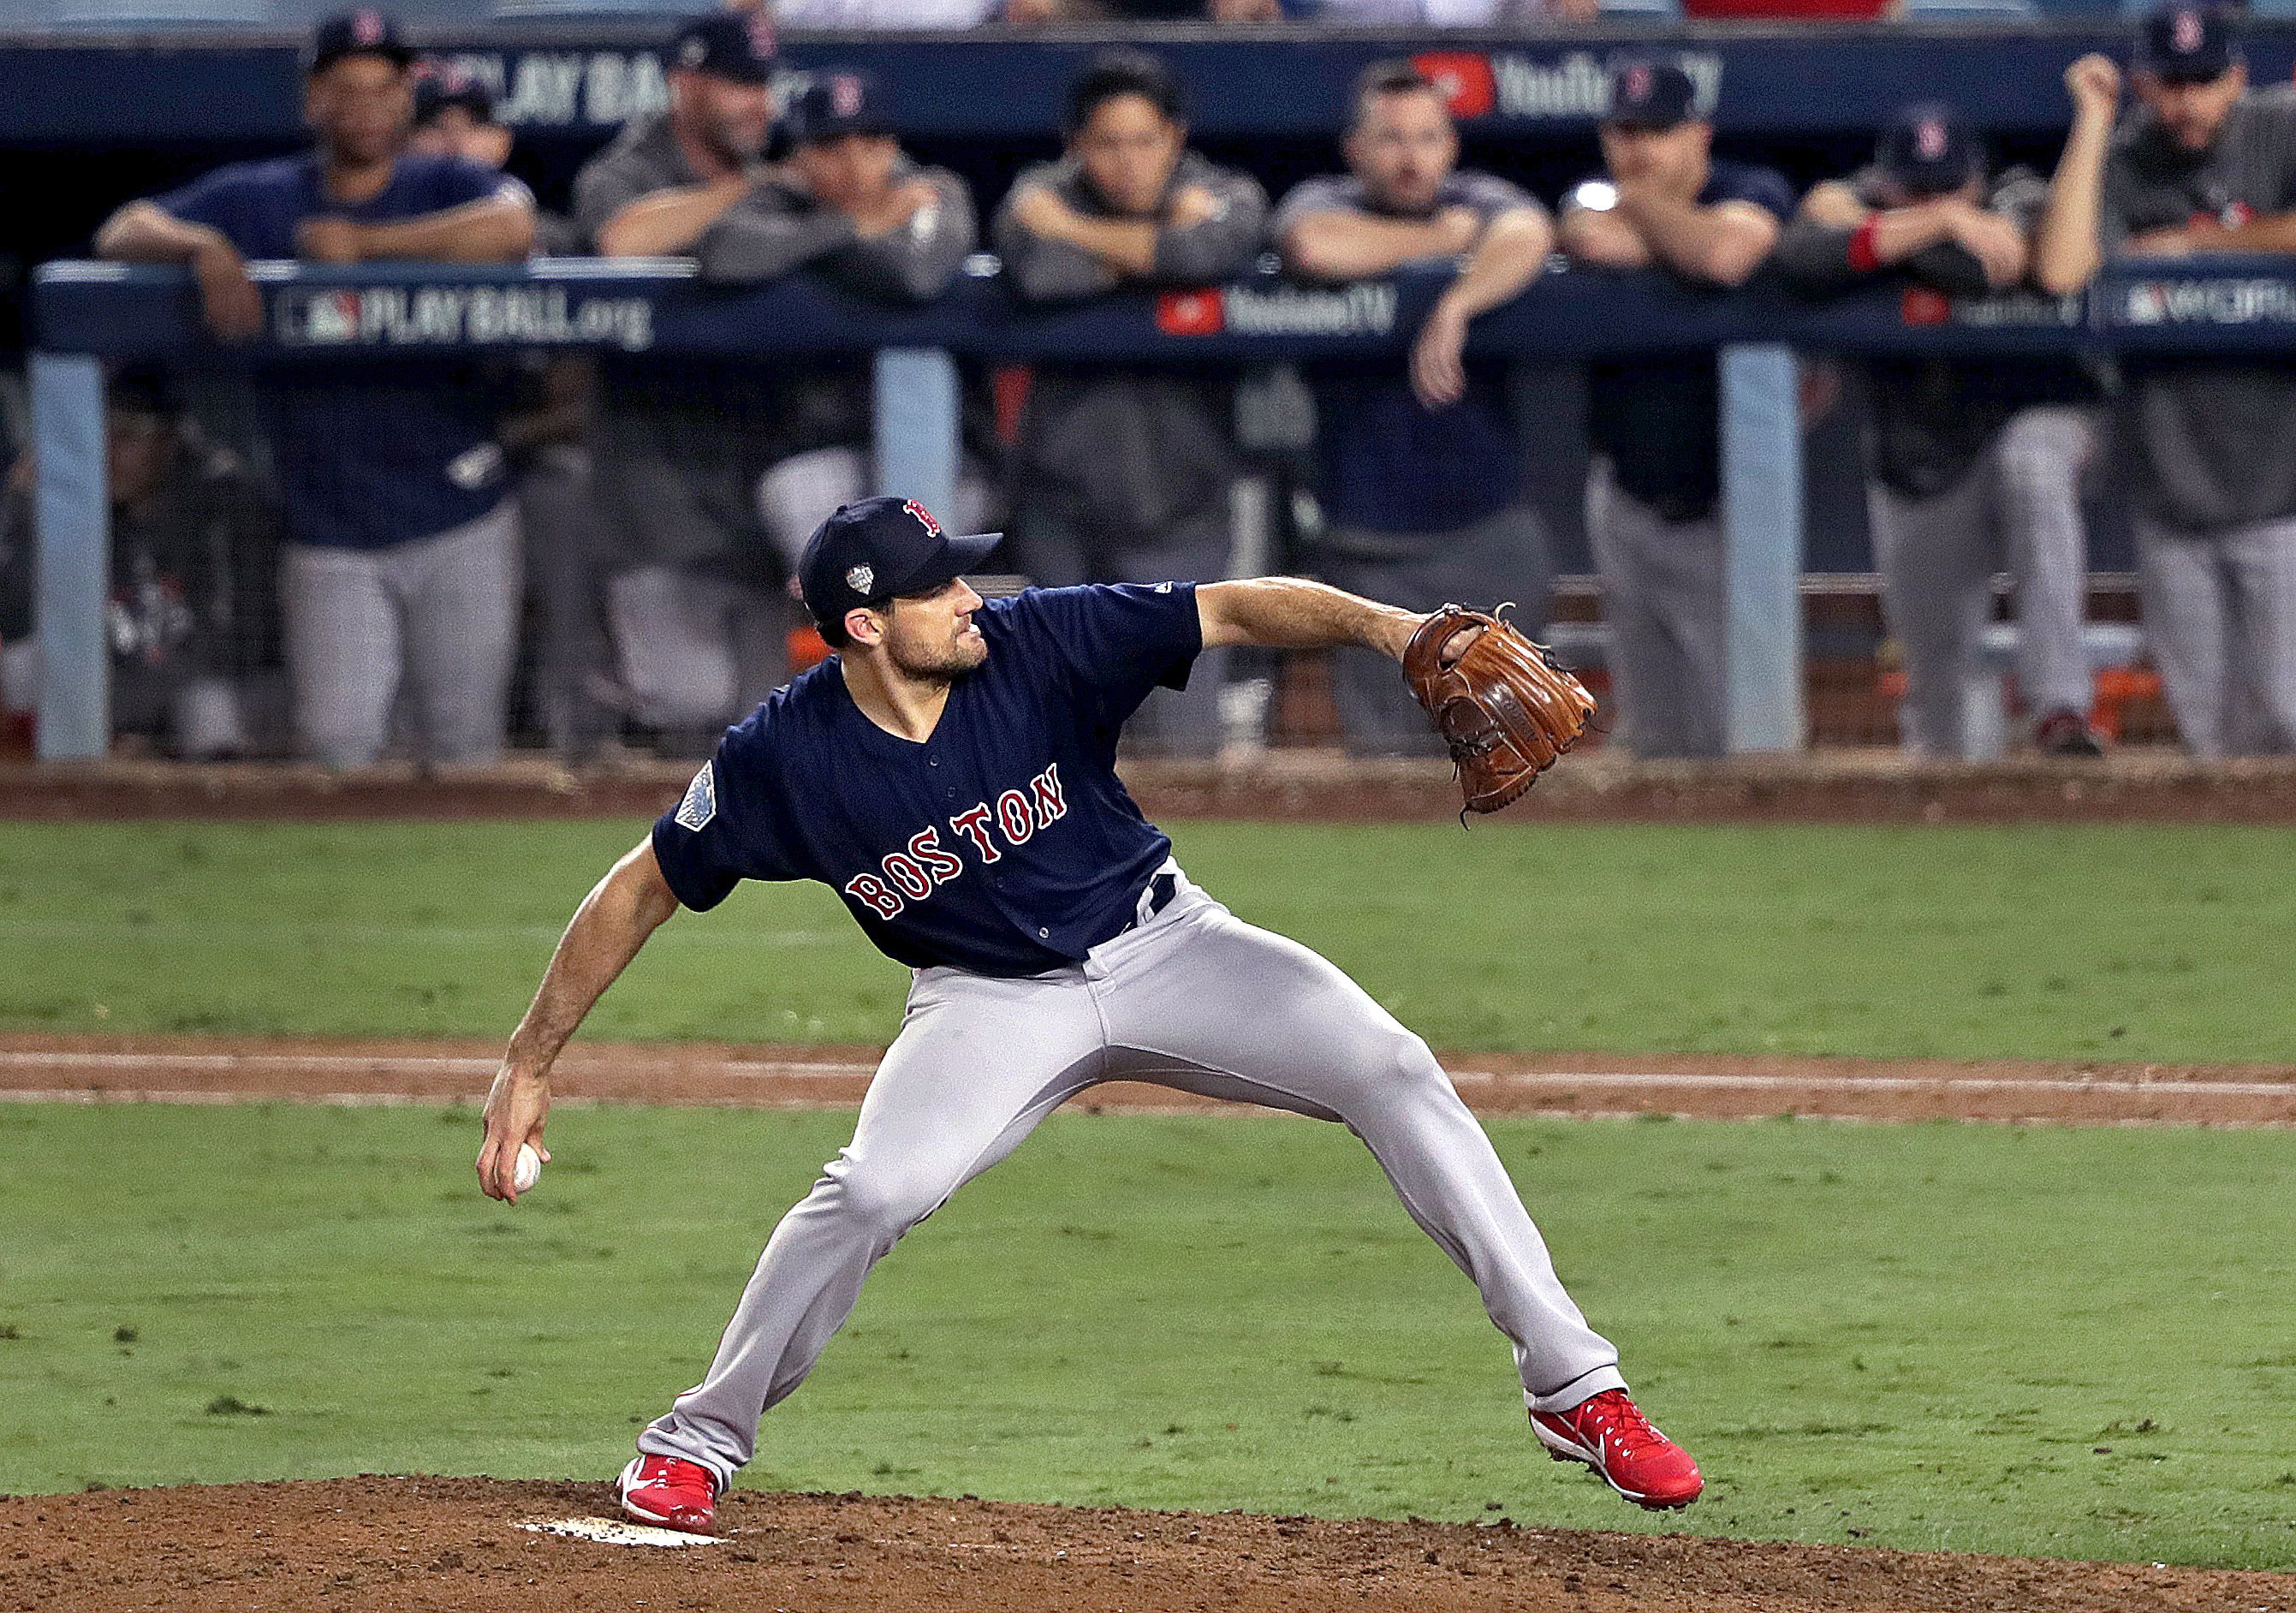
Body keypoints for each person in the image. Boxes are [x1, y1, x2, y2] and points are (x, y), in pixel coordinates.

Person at [473, 494, 1704, 1535]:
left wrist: (1390, 631)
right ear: (862, 626)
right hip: (984, 1005)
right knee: (872, 1190)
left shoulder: (1039, 641)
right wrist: (530, 1061)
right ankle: (698, 1439)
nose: (967, 596)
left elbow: (1232, 607)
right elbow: (642, 885)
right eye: (934, 588)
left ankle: (1573, 1387)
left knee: (1389, 1066)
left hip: (1167, 943)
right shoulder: (779, 760)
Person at [92, 9, 536, 768]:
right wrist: (202, 243)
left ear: (406, 98)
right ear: (313, 102)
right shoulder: (263, 197)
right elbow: (120, 230)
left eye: (382, 87)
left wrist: (366, 247)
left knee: (467, 754)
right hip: (329, 531)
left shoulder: (444, 181)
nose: (365, 104)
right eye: (344, 88)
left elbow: (513, 224)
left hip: (460, 512)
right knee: (338, 750)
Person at [1774, 103, 2106, 759]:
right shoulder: (1861, 197)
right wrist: (1946, 220)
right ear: (1884, 179)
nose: (1933, 197)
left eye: (1950, 188)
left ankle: (2061, 710)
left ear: (1978, 176)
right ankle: (1950, 820)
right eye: (1915, 189)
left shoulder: (2018, 193)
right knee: (1936, 689)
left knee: (2032, 465)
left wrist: (1878, 239)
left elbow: (1987, 266)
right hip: (1915, 454)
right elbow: (1800, 260)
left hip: (2026, 414)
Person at [2034, 5, 2296, 758]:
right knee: (2210, 740)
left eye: (2205, 82)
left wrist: (2200, 242)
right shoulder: (2125, 159)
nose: (2188, 101)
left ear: (2237, 79)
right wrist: (2091, 124)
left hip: (2282, 494)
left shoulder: (2278, 129)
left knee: (2287, 718)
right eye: (2172, 83)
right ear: (2146, 83)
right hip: (2171, 492)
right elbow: (2059, 269)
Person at [1276, 60, 1556, 757]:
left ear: (1451, 146)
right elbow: (1313, 245)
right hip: (1368, 551)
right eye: (1392, 138)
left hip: (1488, 538)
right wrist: (1450, 245)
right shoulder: (1324, 199)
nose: (1411, 156)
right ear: (1356, 150)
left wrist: (1455, 305)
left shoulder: (1482, 198)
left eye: (1428, 137)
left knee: (1513, 757)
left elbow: (1529, 232)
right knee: (1385, 775)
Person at [993, 49, 1268, 756]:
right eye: (1108, 143)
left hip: (1185, 512)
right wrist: (1153, 252)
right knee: (1063, 745)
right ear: (1077, 144)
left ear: (1175, 138)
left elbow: (1215, 249)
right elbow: (1039, 272)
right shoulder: (1035, 195)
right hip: (1063, 517)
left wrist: (1084, 238)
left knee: (1186, 750)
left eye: (1145, 141)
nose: (1128, 162)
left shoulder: (1223, 191)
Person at [1557, 57, 1793, 759]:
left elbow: (1725, 254)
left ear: (1699, 135)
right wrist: (1670, 231)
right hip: (1624, 493)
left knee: (1747, 734)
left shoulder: (1754, 186)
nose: (1639, 150)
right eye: (1626, 132)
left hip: (1728, 508)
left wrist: (1644, 209)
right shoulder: (1593, 192)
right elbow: (1590, 233)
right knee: (1649, 738)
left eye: (1658, 131)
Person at [574, 12, 788, 742]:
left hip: (755, 490)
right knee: (685, 712)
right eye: (735, 85)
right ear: (682, 85)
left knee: (769, 732)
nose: (755, 102)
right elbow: (620, 237)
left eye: (761, 84)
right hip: (655, 498)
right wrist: (756, 192)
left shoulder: (787, 164)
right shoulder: (625, 169)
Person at [695, 69, 996, 573]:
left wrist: (820, 250)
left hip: (945, 460)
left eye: (872, 142)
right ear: (801, 154)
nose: (855, 164)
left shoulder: (931, 190)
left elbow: (917, 275)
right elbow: (721, 253)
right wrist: (856, 227)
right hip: (813, 457)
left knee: (913, 361)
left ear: (893, 145)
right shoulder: (780, 203)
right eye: (832, 146)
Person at [0, 375, 284, 759]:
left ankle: (225, 811)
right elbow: (18, 621)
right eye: (100, 431)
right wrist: (24, 511)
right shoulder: (74, 513)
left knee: (207, 706)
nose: (109, 450)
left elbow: (242, 648)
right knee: (19, 667)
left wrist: (133, 723)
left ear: (168, 442)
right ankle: (62, 804)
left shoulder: (219, 509)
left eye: (129, 435)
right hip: (121, 695)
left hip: (215, 697)